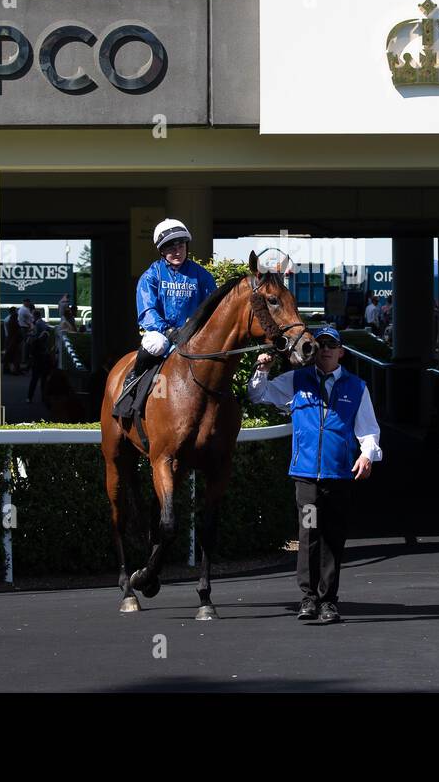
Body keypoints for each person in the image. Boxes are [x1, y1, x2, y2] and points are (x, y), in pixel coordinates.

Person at [248, 325, 381, 624]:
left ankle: (328, 601)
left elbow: (369, 429)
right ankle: (308, 598)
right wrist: (262, 371)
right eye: (320, 345)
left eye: (331, 345)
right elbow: (259, 395)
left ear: (341, 352)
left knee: (333, 538)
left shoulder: (356, 386)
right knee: (308, 535)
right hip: (306, 473)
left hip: (339, 475)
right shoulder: (298, 380)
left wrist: (366, 454)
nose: (325, 349)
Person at [112, 217, 217, 418]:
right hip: (160, 333)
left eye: (180, 245)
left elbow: (211, 307)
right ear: (162, 251)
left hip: (192, 334)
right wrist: (167, 330)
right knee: (157, 345)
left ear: (186, 246)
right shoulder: (151, 276)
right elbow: (146, 311)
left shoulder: (202, 276)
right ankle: (132, 384)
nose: (176, 251)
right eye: (170, 247)